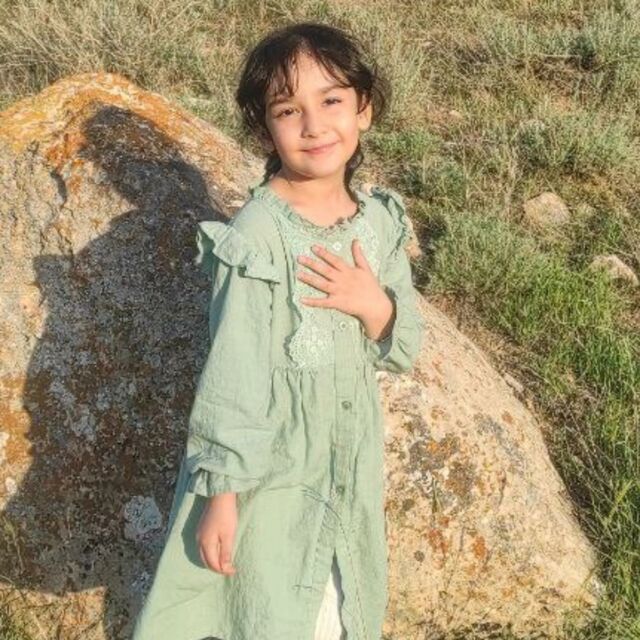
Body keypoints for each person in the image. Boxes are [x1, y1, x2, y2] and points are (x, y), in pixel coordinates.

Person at [132, 21, 425, 640]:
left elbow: (403, 349)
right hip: (269, 479)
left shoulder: (378, 223)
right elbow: (233, 372)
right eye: (288, 110)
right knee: (268, 612)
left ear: (364, 110)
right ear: (265, 128)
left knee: (340, 607)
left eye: (332, 100)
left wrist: (375, 305)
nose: (314, 125)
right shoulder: (259, 237)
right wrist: (223, 497)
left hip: (346, 468)